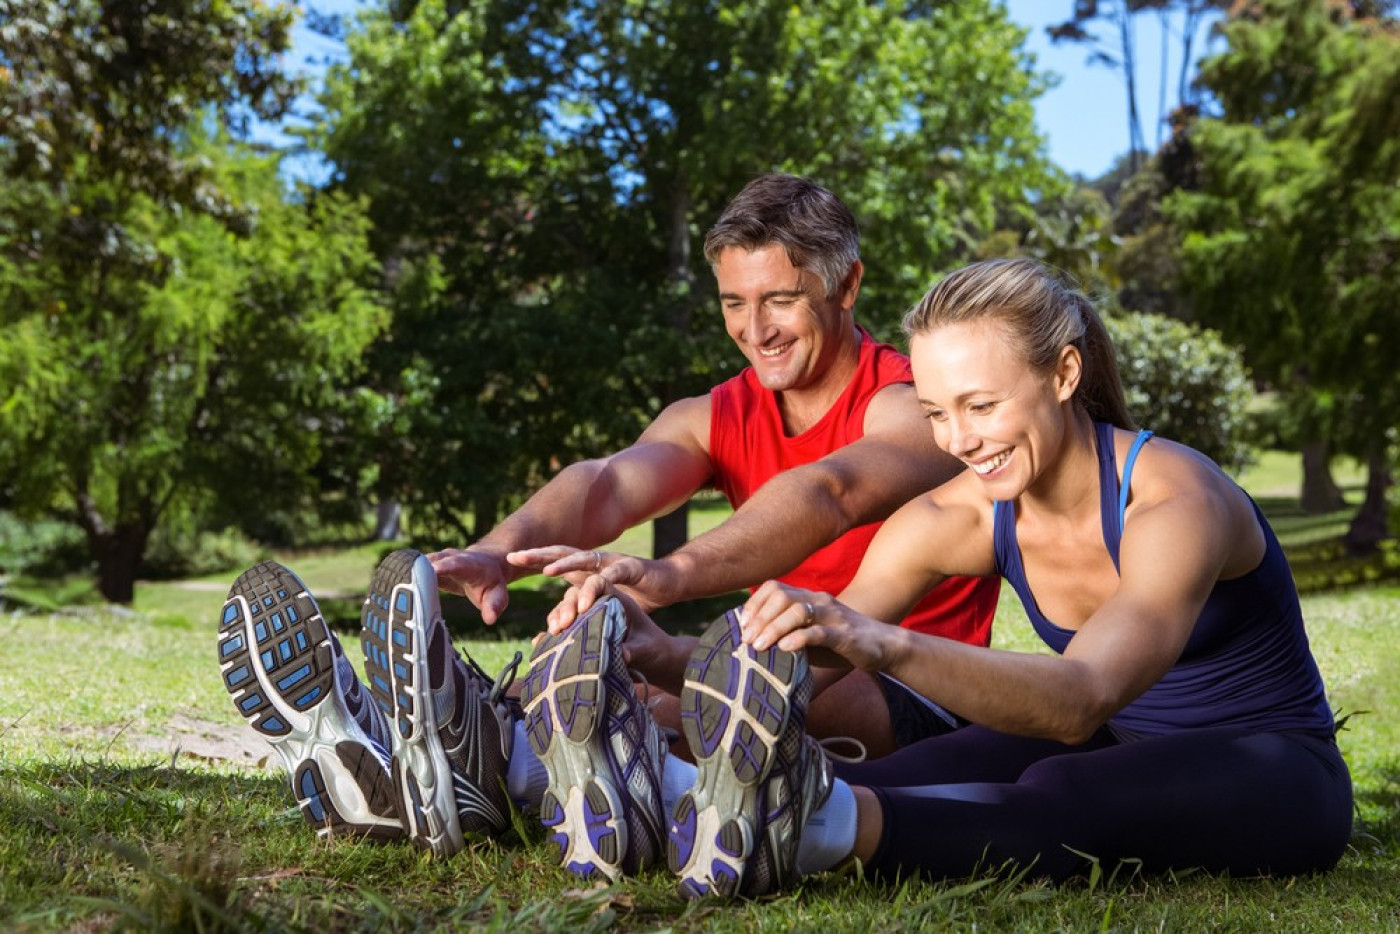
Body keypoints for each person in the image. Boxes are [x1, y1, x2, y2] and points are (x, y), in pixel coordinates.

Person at [216, 174, 999, 867]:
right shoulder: (717, 411)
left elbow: (831, 493)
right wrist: (497, 552)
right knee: (635, 672)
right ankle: (436, 764)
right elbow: (607, 485)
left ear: (846, 286)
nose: (755, 327)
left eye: (781, 300)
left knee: (744, 686)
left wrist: (669, 575)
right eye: (734, 302)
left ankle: (487, 755)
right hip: (762, 674)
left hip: (917, 694)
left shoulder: (913, 405)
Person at [630, 256, 1351, 896]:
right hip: (1121, 742)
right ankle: (652, 798)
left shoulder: (1174, 501)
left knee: (1063, 786)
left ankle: (797, 829)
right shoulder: (961, 512)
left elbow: (1081, 700)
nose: (959, 441)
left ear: (1064, 374)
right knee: (918, 768)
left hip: (1276, 769)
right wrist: (654, 654)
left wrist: (881, 643)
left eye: (982, 406)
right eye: (938, 413)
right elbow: (807, 661)